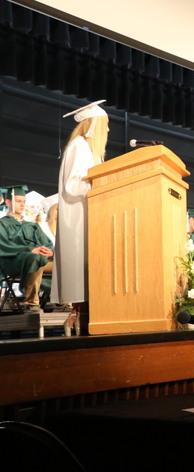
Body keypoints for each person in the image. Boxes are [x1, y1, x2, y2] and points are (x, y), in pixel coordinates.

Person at [52, 100, 110, 328]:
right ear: (93, 124)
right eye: (105, 124)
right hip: (78, 216)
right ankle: (78, 314)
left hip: (90, 214)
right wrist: (101, 185)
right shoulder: (79, 146)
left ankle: (83, 315)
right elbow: (73, 185)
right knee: (82, 267)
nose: (108, 129)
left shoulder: (90, 151)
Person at [0, 186, 54, 312]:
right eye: (18, 201)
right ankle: (30, 302)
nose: (22, 204)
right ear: (8, 202)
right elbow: (3, 245)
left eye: (24, 201)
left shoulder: (32, 226)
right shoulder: (2, 224)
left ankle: (62, 302)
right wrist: (30, 250)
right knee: (34, 258)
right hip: (12, 261)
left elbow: (48, 244)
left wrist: (50, 252)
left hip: (37, 259)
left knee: (64, 263)